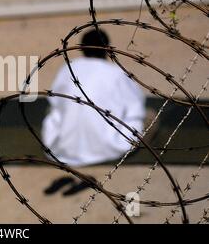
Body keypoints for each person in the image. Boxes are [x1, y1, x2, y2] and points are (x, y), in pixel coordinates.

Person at [42, 29, 146, 195]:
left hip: (63, 149)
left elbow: (55, 102)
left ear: (81, 48)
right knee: (149, 116)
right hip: (110, 147)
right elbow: (136, 107)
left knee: (56, 110)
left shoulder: (68, 68)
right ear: (108, 49)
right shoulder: (117, 73)